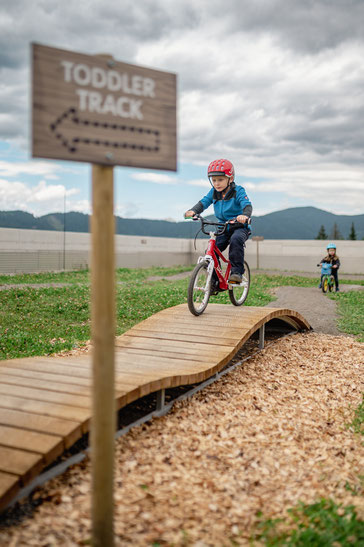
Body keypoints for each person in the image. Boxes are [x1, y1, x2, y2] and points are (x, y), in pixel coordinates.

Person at [184, 158, 252, 289]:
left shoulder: (239, 191)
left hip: (239, 227)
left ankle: (236, 272)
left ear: (230, 178)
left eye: (220, 180)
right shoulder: (214, 192)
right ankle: (216, 281)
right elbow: (203, 202)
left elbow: (247, 205)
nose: (216, 183)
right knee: (211, 250)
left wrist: (244, 215)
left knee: (236, 240)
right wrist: (193, 210)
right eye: (214, 180)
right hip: (224, 227)